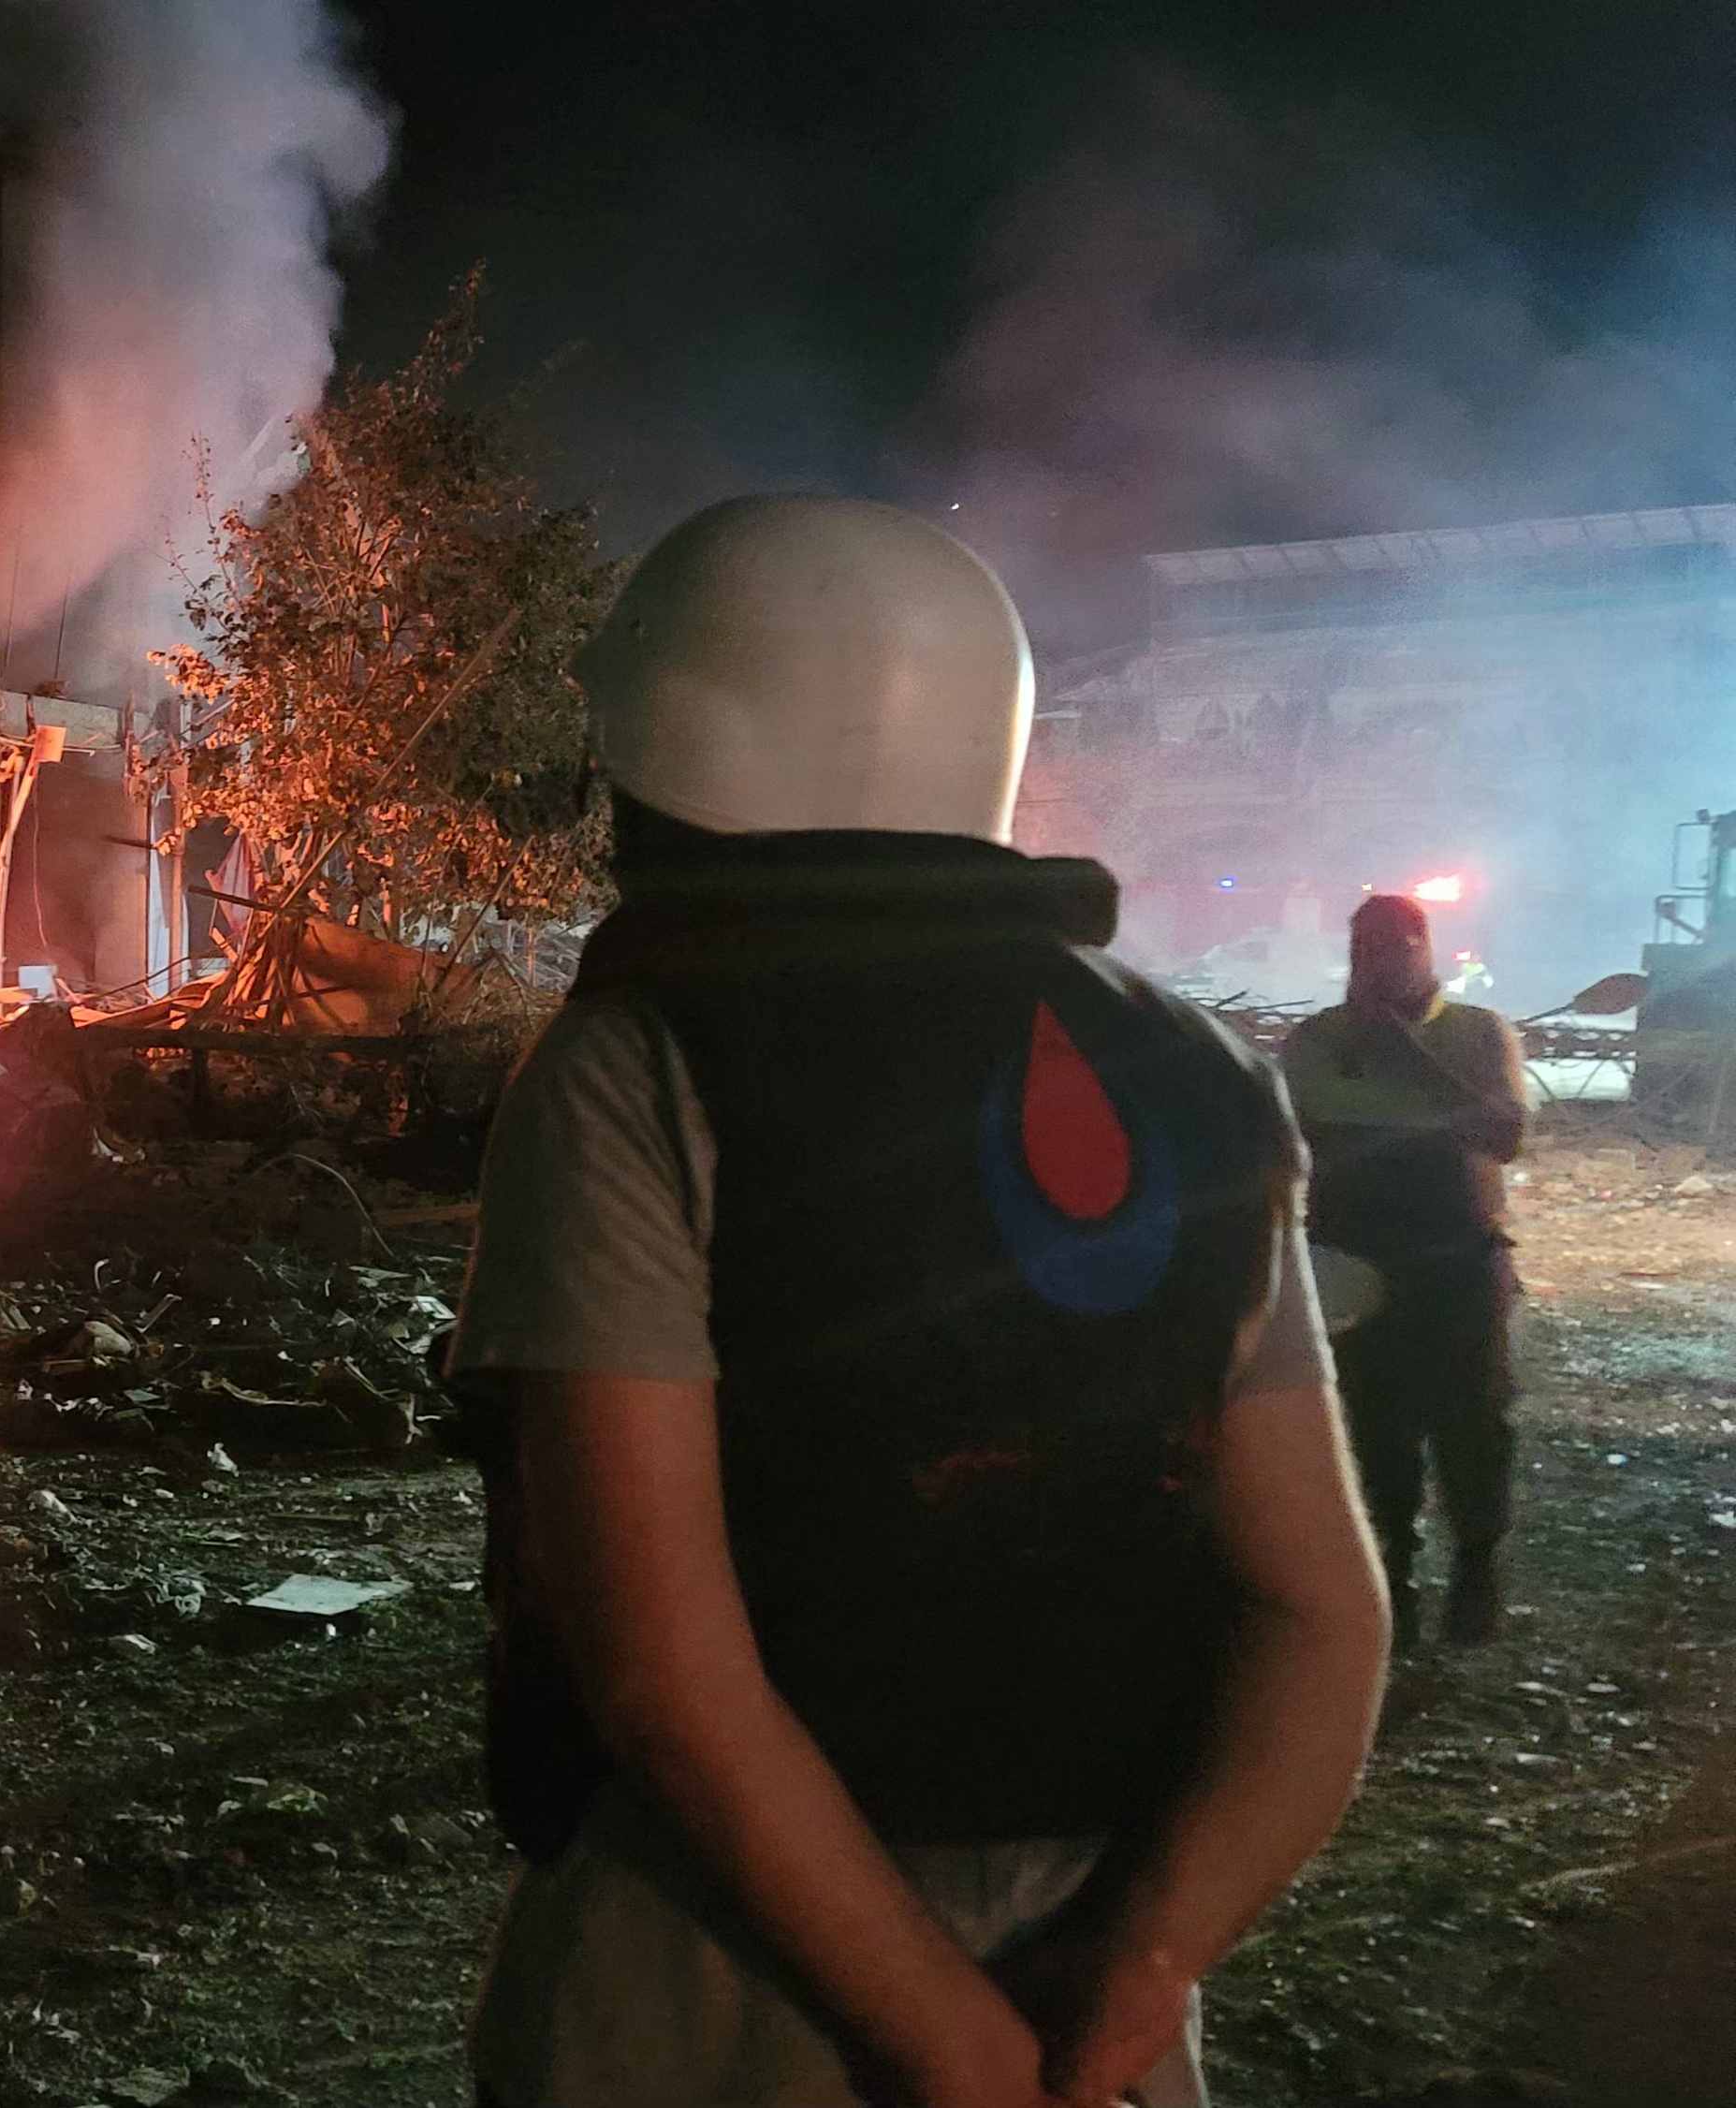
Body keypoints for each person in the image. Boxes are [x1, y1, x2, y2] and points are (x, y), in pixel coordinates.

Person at [454, 495, 1393, 2108]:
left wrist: (949, 2051)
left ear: (676, 744)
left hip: (725, 1982)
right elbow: (1327, 1610)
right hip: (1090, 2009)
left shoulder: (641, 1062)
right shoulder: (1206, 1073)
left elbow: (668, 1678)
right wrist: (1141, 1969)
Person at [1278, 894, 1529, 1644]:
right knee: (1369, 1424)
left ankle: (1476, 1568)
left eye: (1393, 945)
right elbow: (1303, 1130)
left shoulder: (1479, 1034)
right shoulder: (1317, 1040)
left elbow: (1505, 1134)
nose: (1377, 961)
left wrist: (1407, 1056)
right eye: (1364, 946)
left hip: (1459, 1256)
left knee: (1474, 1424)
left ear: (1425, 947)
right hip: (1353, 1260)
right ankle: (1392, 1577)